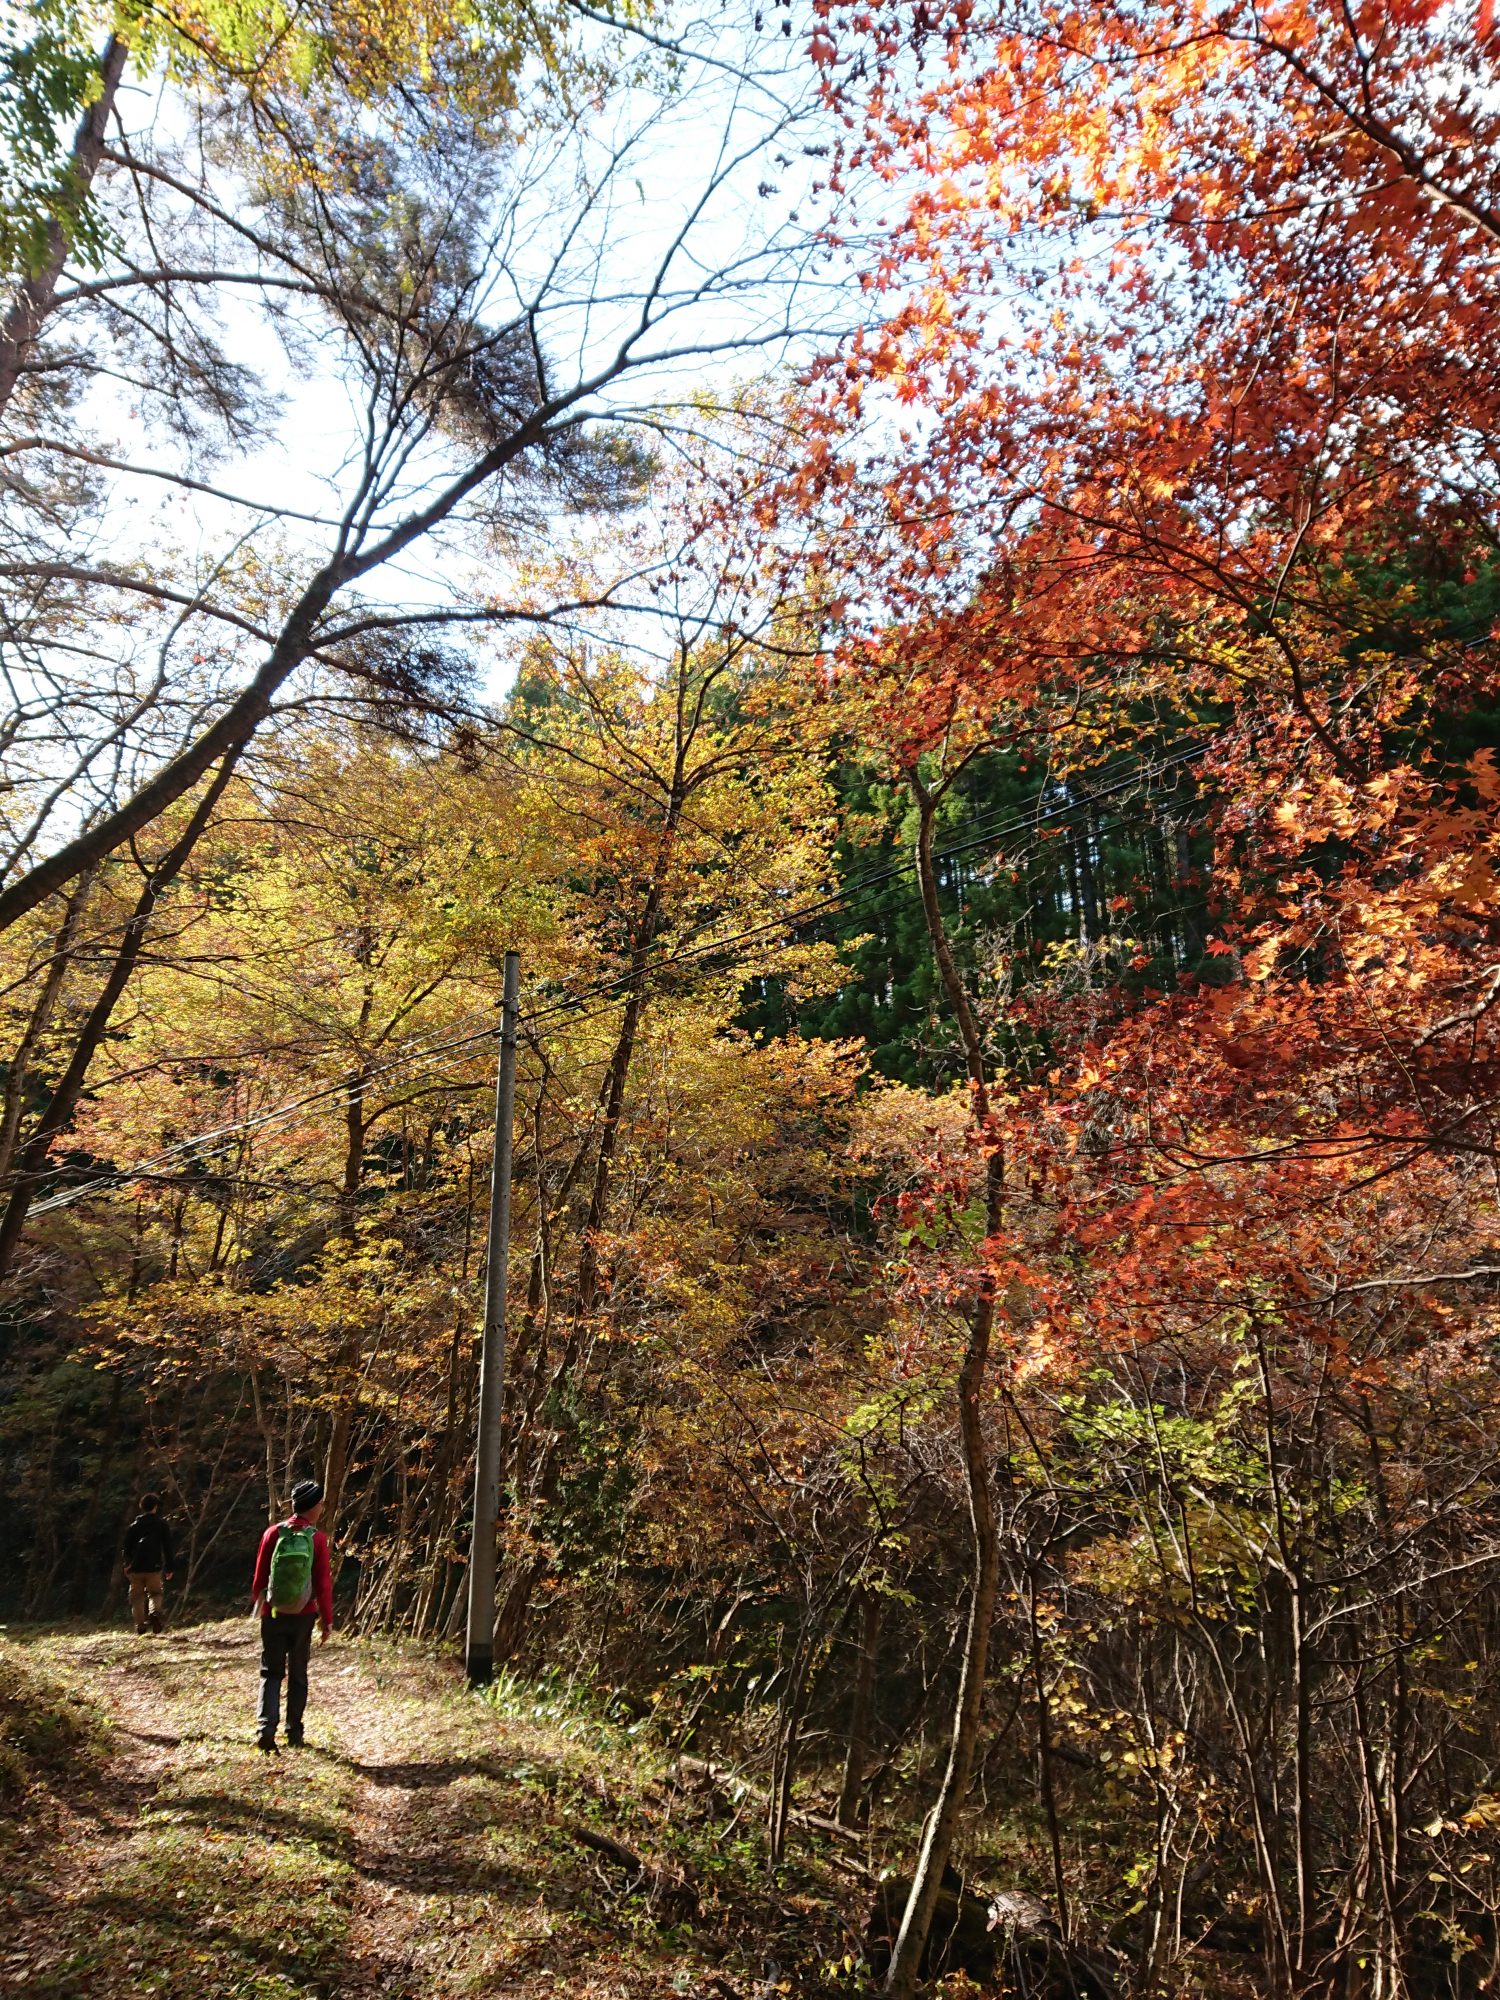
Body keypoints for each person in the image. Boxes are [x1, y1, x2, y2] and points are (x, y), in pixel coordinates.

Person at [250, 1478, 334, 1753]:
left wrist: (260, 1605)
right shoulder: (317, 1539)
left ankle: (266, 1728)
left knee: (270, 1672)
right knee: (298, 1672)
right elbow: (323, 1583)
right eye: (320, 1503)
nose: (322, 1507)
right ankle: (294, 1732)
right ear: (314, 1506)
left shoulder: (272, 1533)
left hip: (273, 1612)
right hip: (304, 1614)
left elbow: (259, 1577)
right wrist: (327, 1620)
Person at [122, 1492, 175, 1635]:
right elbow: (167, 1547)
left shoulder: (134, 1526)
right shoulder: (161, 1525)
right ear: (155, 1507)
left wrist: (127, 1564)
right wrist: (169, 1567)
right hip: (154, 1567)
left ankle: (140, 1625)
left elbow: (126, 1548)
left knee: (137, 1598)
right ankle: (154, 1613)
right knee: (156, 1593)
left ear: (142, 1507)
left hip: (136, 1568)